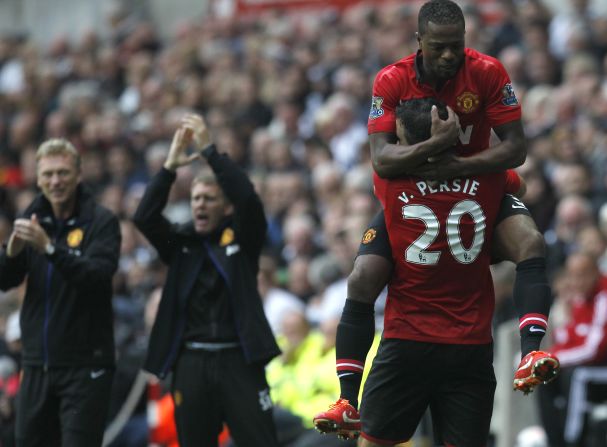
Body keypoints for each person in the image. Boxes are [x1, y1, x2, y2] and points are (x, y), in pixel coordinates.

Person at [315, 0, 559, 439]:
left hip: (475, 182)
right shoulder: (391, 80)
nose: (450, 56)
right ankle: (346, 399)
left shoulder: (486, 72)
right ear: (419, 43)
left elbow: (516, 149)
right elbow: (382, 158)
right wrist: (435, 149)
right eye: (439, 47)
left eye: (457, 47)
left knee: (531, 242)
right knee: (363, 273)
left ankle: (530, 352)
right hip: (420, 192)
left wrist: (459, 166)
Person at [133, 114, 281, 447]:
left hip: (239, 360)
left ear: (226, 208)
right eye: (196, 198)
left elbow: (248, 199)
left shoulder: (243, 241)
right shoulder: (181, 243)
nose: (199, 204)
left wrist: (211, 152)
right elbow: (144, 217)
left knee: (261, 441)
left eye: (209, 198)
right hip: (192, 362)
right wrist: (169, 167)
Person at [0, 138, 121, 446]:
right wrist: (10, 255)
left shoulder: (101, 222)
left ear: (78, 175)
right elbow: (5, 280)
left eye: (63, 173)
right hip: (37, 364)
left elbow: (96, 277)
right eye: (48, 174)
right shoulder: (33, 217)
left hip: (84, 366)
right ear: (38, 179)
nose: (55, 181)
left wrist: (51, 249)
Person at [537, 251, 607, 446]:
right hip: (593, 365)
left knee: (575, 376)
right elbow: (569, 338)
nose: (576, 282)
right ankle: (555, 440)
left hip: (601, 366)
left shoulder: (604, 296)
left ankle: (572, 441)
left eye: (581, 275)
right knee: (543, 375)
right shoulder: (580, 297)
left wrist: (554, 357)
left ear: (595, 272)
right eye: (572, 275)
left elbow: (595, 349)